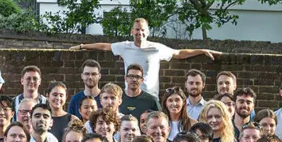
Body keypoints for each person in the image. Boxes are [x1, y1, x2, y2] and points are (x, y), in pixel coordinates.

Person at [74, 16, 217, 91]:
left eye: (142, 30)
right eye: (136, 29)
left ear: (147, 32)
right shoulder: (125, 46)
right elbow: (105, 46)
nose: (139, 32)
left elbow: (179, 53)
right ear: (132, 31)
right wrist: (81, 46)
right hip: (130, 94)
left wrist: (202, 50)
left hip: (151, 95)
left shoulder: (156, 48)